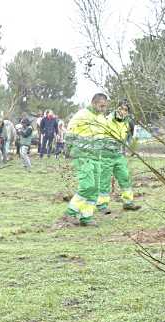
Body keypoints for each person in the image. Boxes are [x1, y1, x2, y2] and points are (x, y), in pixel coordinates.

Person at [62, 93, 111, 226]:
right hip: (83, 156)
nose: (103, 109)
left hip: (97, 157)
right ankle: (70, 213)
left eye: (105, 106)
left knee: (94, 188)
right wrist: (67, 150)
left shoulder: (102, 119)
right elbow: (70, 132)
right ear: (94, 103)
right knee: (87, 185)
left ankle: (86, 217)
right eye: (101, 106)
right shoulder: (81, 115)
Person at [96, 100, 142, 213]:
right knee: (104, 180)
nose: (123, 111)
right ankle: (102, 205)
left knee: (125, 177)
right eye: (121, 108)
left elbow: (129, 138)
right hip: (105, 154)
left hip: (119, 155)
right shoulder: (107, 120)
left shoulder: (128, 122)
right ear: (117, 108)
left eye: (126, 110)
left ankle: (128, 203)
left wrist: (133, 149)